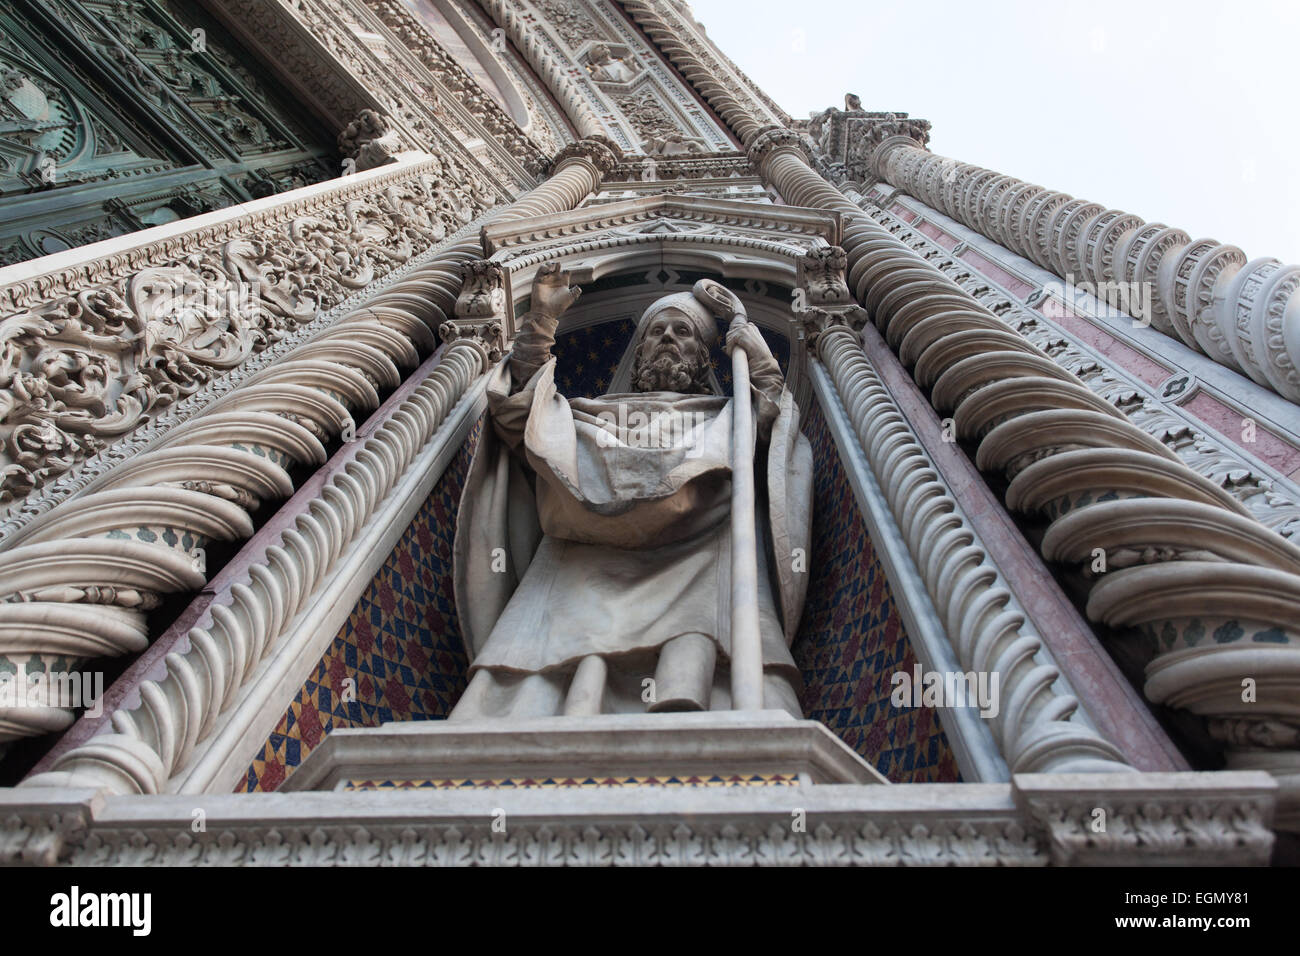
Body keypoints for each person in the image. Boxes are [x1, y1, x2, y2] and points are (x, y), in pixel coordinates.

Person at [450, 264, 812, 719]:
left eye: (683, 331)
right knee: (564, 660)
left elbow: (774, 422)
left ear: (704, 357)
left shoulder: (728, 416)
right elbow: (518, 416)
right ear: (638, 352)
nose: (667, 338)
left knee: (698, 639)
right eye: (656, 331)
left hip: (698, 562)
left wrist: (749, 338)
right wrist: (539, 326)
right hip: (582, 570)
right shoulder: (586, 414)